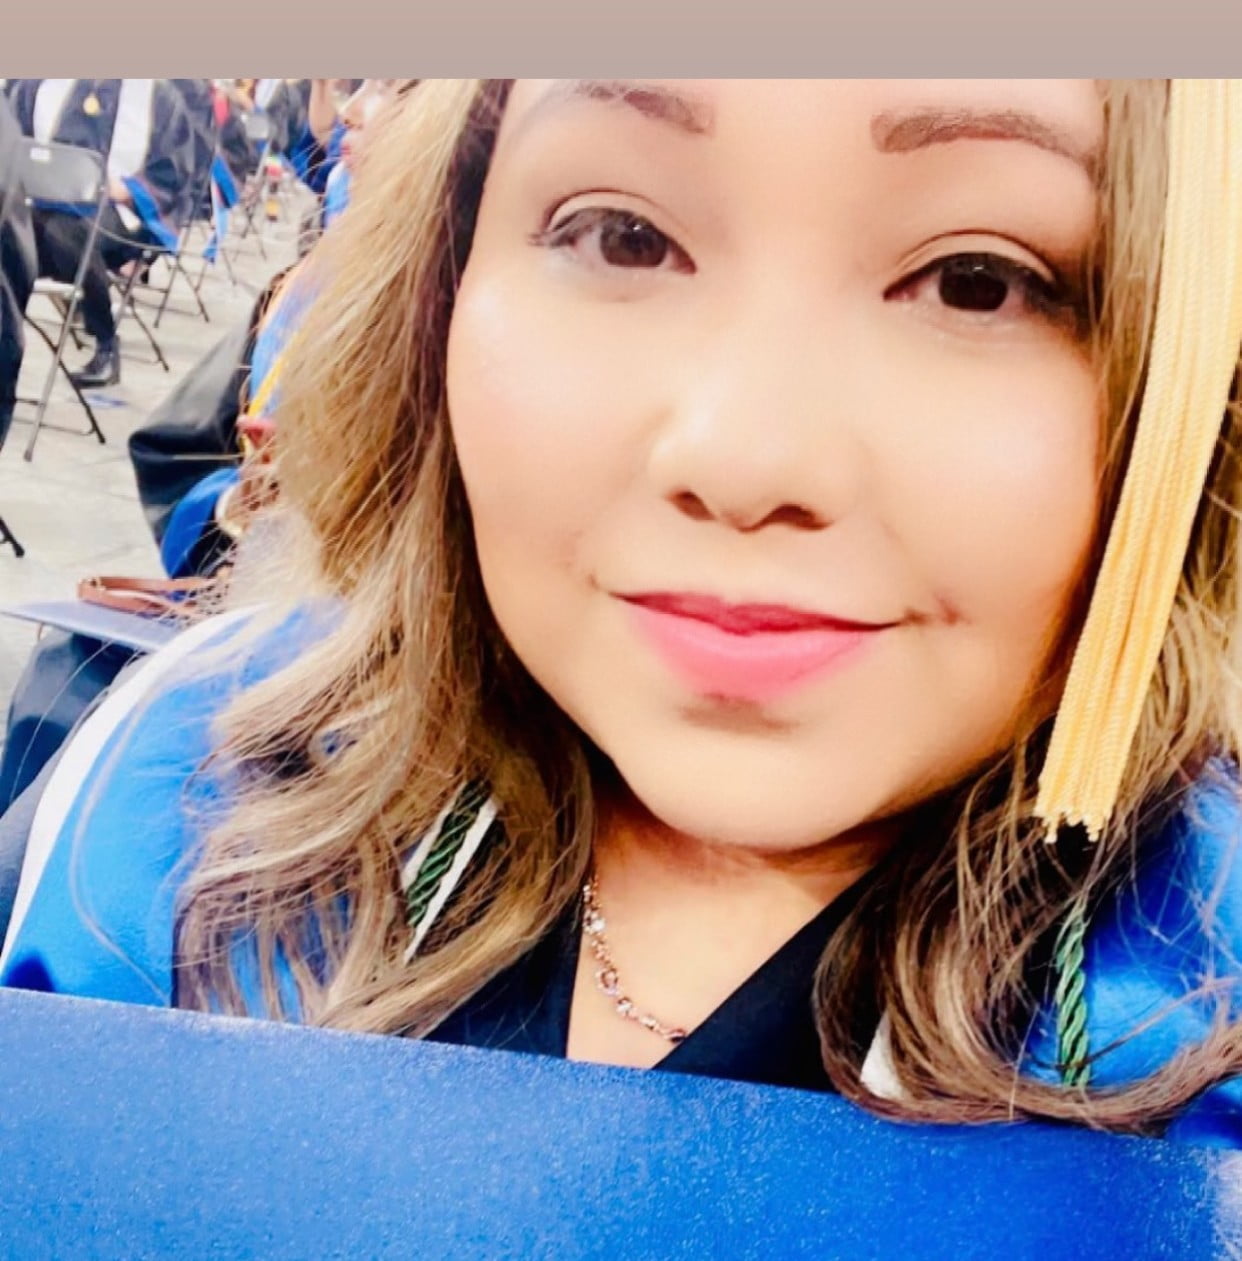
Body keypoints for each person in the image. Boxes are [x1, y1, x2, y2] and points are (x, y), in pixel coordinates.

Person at [3, 79, 1242, 1150]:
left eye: (979, 284)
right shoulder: (177, 798)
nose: (747, 457)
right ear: (446, 277)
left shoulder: (1203, 1009)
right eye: (623, 237)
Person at [5, 79, 197, 388]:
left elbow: (174, 170)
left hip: (118, 212)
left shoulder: (157, 95)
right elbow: (14, 142)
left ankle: (106, 342)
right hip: (39, 205)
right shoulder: (41, 83)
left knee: (65, 230)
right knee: (15, 229)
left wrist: (128, 190)